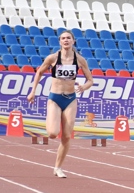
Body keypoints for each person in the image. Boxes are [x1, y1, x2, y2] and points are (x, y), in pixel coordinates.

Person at [27, 30, 93, 178]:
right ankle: (51, 119)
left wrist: (84, 87)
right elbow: (39, 72)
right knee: (52, 133)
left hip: (70, 99)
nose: (66, 40)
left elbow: (90, 80)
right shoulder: (52, 58)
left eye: (68, 38)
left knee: (67, 136)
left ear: (73, 41)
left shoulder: (80, 60)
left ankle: (58, 167)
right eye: (63, 38)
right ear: (60, 42)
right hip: (55, 98)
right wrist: (33, 91)